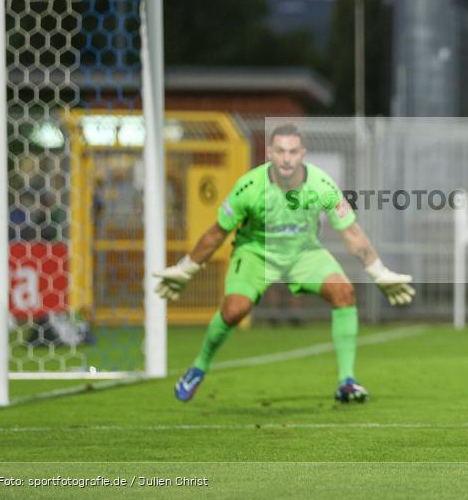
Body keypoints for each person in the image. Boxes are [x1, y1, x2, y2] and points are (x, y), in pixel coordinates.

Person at [154, 124, 415, 403]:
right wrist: (186, 268)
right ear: (269, 153)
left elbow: (351, 233)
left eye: (292, 151)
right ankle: (198, 367)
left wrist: (378, 272)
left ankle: (347, 381)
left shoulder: (322, 185)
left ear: (303, 153)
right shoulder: (249, 187)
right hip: (256, 252)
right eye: (280, 151)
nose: (286, 158)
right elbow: (217, 232)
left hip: (303, 252)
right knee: (234, 310)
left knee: (344, 293)